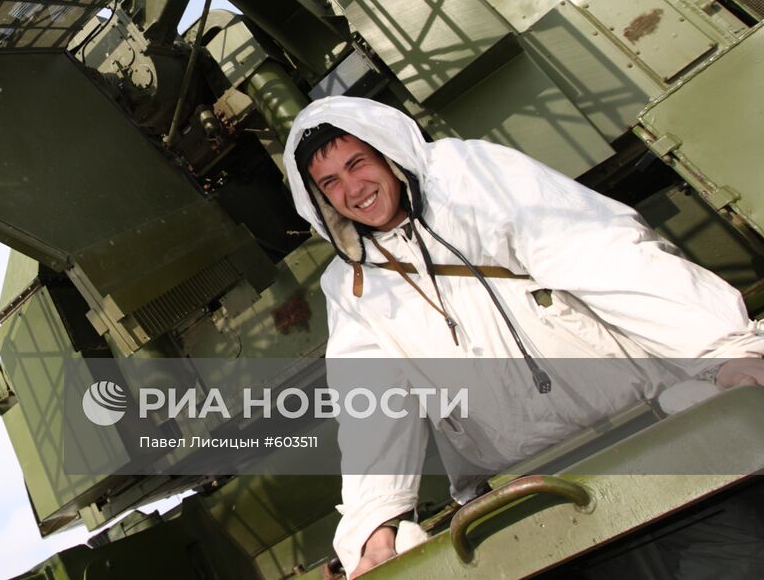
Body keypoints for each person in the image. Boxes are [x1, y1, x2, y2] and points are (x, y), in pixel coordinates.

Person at [281, 95, 764, 577]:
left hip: (643, 433)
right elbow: (372, 404)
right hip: (528, 492)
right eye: (331, 182)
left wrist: (722, 350)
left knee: (734, 562)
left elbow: (604, 255)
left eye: (357, 163)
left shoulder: (470, 179)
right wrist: (374, 525)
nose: (353, 189)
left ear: (388, 155)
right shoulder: (349, 284)